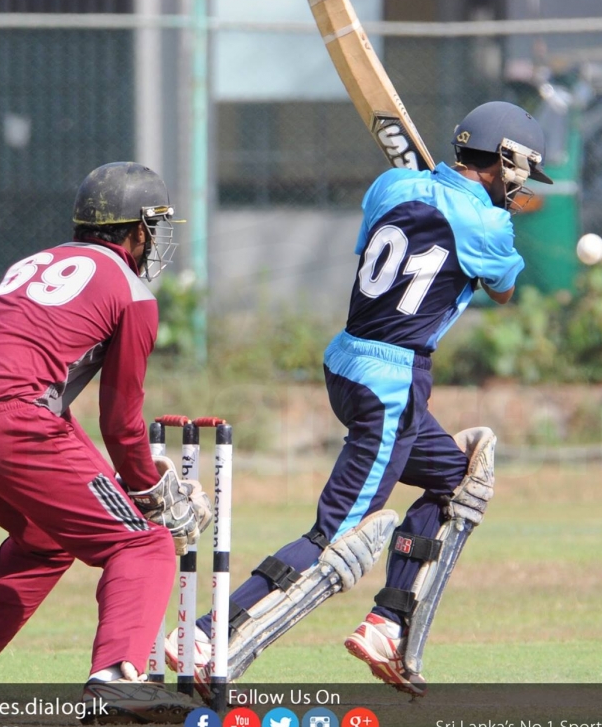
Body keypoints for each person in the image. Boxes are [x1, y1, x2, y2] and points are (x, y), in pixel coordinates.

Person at [168, 101, 551, 696]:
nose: (522, 186)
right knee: (335, 536)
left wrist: (439, 192)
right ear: (506, 160)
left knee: (457, 482)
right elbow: (501, 289)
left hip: (346, 363)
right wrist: (483, 209)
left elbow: (400, 234)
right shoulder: (488, 225)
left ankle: (388, 622)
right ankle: (206, 634)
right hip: (392, 382)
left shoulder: (391, 186)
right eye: (522, 171)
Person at [0, 162, 210, 724]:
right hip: (9, 420)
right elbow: (121, 423)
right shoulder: (133, 292)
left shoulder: (34, 262)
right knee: (142, 546)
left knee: (42, 540)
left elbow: (39, 387)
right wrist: (152, 494)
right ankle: (117, 682)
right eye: (153, 228)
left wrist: (139, 485)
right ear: (138, 231)